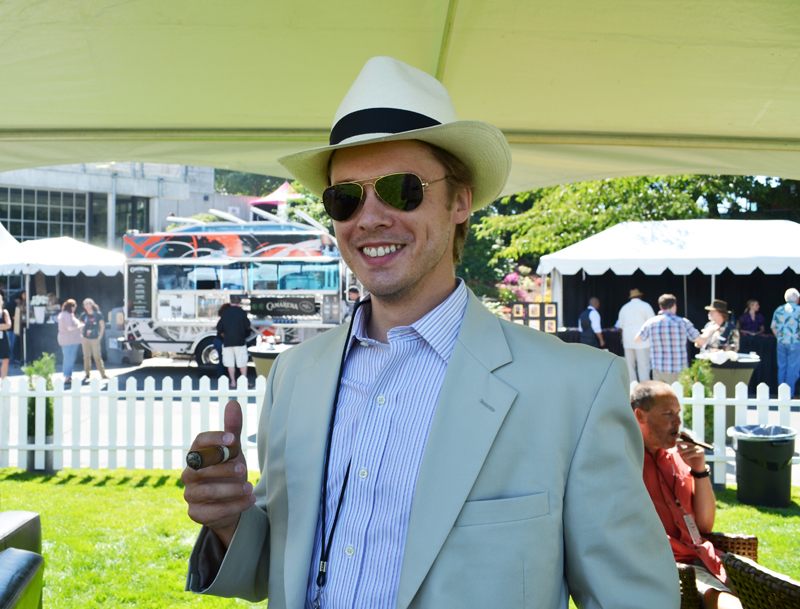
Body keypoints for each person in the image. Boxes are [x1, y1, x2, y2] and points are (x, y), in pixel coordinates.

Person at [183, 56, 678, 608]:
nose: (369, 218)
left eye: (401, 188)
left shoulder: (574, 391)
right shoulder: (295, 375)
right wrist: (231, 523)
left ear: (460, 201)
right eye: (345, 197)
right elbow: (290, 565)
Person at [632, 381, 742, 609]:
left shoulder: (679, 458)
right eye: (668, 413)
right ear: (640, 416)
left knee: (770, 591)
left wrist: (700, 470)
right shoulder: (625, 463)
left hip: (709, 559)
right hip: (671, 569)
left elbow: (704, 525)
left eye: (678, 413)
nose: (678, 422)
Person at [636, 293, 708, 384]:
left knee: (661, 397)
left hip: (659, 369)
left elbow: (638, 339)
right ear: (675, 305)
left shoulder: (651, 323)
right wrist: (710, 330)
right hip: (679, 370)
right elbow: (701, 340)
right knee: (678, 397)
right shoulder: (683, 322)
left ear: (661, 307)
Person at [616, 288, 656, 383]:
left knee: (630, 366)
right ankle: (644, 387)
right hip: (643, 341)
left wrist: (622, 338)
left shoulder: (624, 308)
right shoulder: (646, 306)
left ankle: (632, 387)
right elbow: (652, 323)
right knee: (644, 365)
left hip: (628, 340)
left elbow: (620, 327)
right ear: (640, 296)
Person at [217, 295, 252, 388]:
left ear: (231, 303)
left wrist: (225, 335)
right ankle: (244, 382)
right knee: (242, 363)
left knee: (230, 363)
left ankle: (233, 382)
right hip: (240, 341)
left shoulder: (225, 313)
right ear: (239, 303)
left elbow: (219, 328)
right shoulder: (242, 313)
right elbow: (248, 326)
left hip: (227, 342)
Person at [771, 287, 800, 397]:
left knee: (782, 367)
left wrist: (779, 337)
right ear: (797, 298)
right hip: (795, 342)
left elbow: (773, 326)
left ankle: (781, 393)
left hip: (781, 342)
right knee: (793, 368)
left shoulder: (779, 309)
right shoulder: (798, 310)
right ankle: (788, 393)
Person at [80, 298, 108, 383]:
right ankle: (87, 373)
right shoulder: (83, 315)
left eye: (88, 304)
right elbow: (80, 326)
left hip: (95, 338)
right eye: (85, 304)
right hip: (85, 338)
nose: (86, 306)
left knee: (97, 356)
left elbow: (102, 326)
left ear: (91, 304)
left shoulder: (98, 315)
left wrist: (100, 336)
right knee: (86, 357)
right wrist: (81, 335)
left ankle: (103, 373)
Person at [57, 299, 83, 386]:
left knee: (68, 358)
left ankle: (68, 376)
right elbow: (70, 328)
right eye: (74, 306)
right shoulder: (67, 315)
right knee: (69, 359)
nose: (75, 308)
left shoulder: (65, 314)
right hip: (69, 340)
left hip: (68, 340)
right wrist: (80, 326)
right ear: (71, 307)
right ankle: (67, 376)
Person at [213, 303, 231, 378]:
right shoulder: (225, 319)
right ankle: (222, 375)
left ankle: (221, 375)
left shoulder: (222, 319)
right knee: (223, 359)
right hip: (221, 341)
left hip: (217, 341)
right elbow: (222, 333)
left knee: (222, 359)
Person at [0, 293, 11, 380]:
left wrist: (4, 325)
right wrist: (2, 326)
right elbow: (5, 325)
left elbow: (8, 325)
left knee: (5, 359)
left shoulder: (4, 312)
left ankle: (4, 381)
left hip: (3, 339)